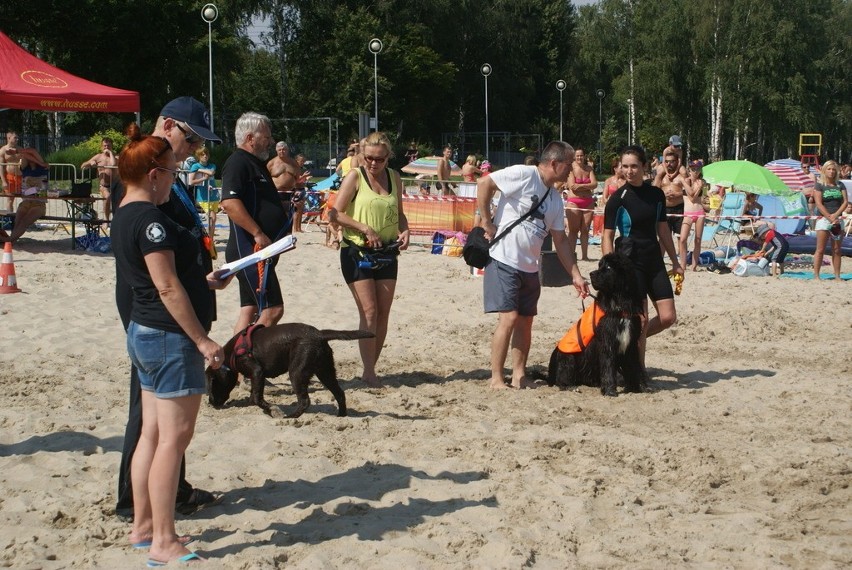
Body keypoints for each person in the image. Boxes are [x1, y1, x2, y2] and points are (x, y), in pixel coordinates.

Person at [112, 124, 228, 566]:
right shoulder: (151, 221)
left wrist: (204, 279)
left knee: (153, 434)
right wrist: (202, 339)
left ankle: (143, 527)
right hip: (168, 335)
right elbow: (166, 286)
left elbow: (163, 280)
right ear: (155, 174)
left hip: (143, 332)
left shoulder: (124, 213)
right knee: (172, 441)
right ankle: (164, 539)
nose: (174, 181)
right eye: (173, 172)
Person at [477, 141, 588, 390]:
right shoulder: (525, 174)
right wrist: (486, 221)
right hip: (503, 258)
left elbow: (560, 240)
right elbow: (484, 183)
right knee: (509, 318)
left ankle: (519, 375)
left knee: (526, 321)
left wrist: (576, 275)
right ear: (554, 163)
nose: (571, 170)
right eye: (568, 164)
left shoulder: (556, 199)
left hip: (530, 267)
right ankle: (495, 377)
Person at [328, 131, 410, 387]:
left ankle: (369, 368)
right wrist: (365, 228)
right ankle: (369, 371)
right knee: (370, 311)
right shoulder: (355, 176)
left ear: (388, 158)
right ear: (362, 156)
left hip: (387, 251)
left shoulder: (395, 178)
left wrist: (405, 230)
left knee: (383, 312)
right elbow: (333, 213)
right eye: (369, 158)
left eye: (380, 159)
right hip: (356, 250)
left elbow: (400, 213)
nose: (374, 164)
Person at [602, 145, 683, 375]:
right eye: (625, 166)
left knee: (668, 317)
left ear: (644, 166)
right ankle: (638, 369)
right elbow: (607, 235)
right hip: (630, 263)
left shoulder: (656, 194)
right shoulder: (618, 199)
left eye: (634, 166)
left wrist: (676, 262)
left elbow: (663, 229)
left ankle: (628, 341)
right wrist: (610, 266)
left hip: (654, 262)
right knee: (642, 318)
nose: (629, 171)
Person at [221, 112, 290, 334]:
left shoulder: (256, 163)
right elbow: (229, 203)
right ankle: (245, 357)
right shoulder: (237, 162)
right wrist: (257, 232)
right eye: (266, 136)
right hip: (250, 249)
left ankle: (235, 363)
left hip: (261, 251)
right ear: (250, 138)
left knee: (249, 310)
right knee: (272, 310)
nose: (270, 141)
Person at [812, 160, 848, 280]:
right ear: (824, 170)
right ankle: (816, 275)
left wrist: (835, 216)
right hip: (824, 219)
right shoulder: (819, 185)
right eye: (829, 169)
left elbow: (845, 202)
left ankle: (837, 275)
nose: (831, 171)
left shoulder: (840, 184)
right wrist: (829, 217)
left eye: (833, 169)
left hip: (837, 219)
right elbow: (818, 203)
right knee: (820, 249)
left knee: (837, 249)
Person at [563, 147, 597, 261]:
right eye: (577, 156)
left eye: (581, 155)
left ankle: (585, 255)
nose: (579, 158)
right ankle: (571, 254)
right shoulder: (571, 169)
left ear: (584, 156)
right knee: (573, 230)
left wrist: (581, 186)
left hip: (588, 202)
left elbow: (595, 184)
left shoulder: (589, 169)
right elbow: (572, 186)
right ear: (574, 157)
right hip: (574, 202)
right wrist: (587, 187)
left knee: (585, 229)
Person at [654, 148, 688, 253]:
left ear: (677, 162)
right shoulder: (662, 175)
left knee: (681, 238)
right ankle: (660, 262)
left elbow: (690, 192)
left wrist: (677, 194)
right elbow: (654, 191)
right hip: (665, 209)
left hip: (679, 208)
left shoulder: (681, 175)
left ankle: (682, 262)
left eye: (672, 161)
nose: (669, 164)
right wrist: (663, 194)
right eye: (667, 162)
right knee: (663, 238)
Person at [81, 137, 118, 221]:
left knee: (118, 201)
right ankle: (106, 220)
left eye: (108, 146)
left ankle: (116, 220)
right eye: (104, 146)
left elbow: (113, 164)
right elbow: (82, 165)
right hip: (104, 185)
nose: (106, 148)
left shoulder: (116, 157)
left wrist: (110, 153)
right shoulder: (98, 157)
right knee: (107, 197)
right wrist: (90, 163)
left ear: (112, 146)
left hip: (116, 184)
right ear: (101, 147)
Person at [679, 160, 707, 271]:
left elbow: (693, 197)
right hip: (688, 213)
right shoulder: (686, 181)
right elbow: (691, 196)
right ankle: (683, 264)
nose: (695, 171)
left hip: (699, 212)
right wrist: (694, 187)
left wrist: (699, 188)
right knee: (682, 239)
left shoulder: (701, 181)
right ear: (689, 169)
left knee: (698, 239)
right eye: (693, 169)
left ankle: (694, 266)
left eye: (697, 169)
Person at [188, 146, 218, 242]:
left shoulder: (211, 165)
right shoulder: (195, 166)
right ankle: (208, 239)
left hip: (213, 195)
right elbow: (191, 182)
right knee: (212, 218)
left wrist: (200, 170)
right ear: (198, 156)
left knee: (213, 219)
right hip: (203, 197)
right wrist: (203, 178)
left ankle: (211, 239)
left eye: (206, 154)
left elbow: (211, 172)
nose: (205, 156)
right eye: (202, 154)